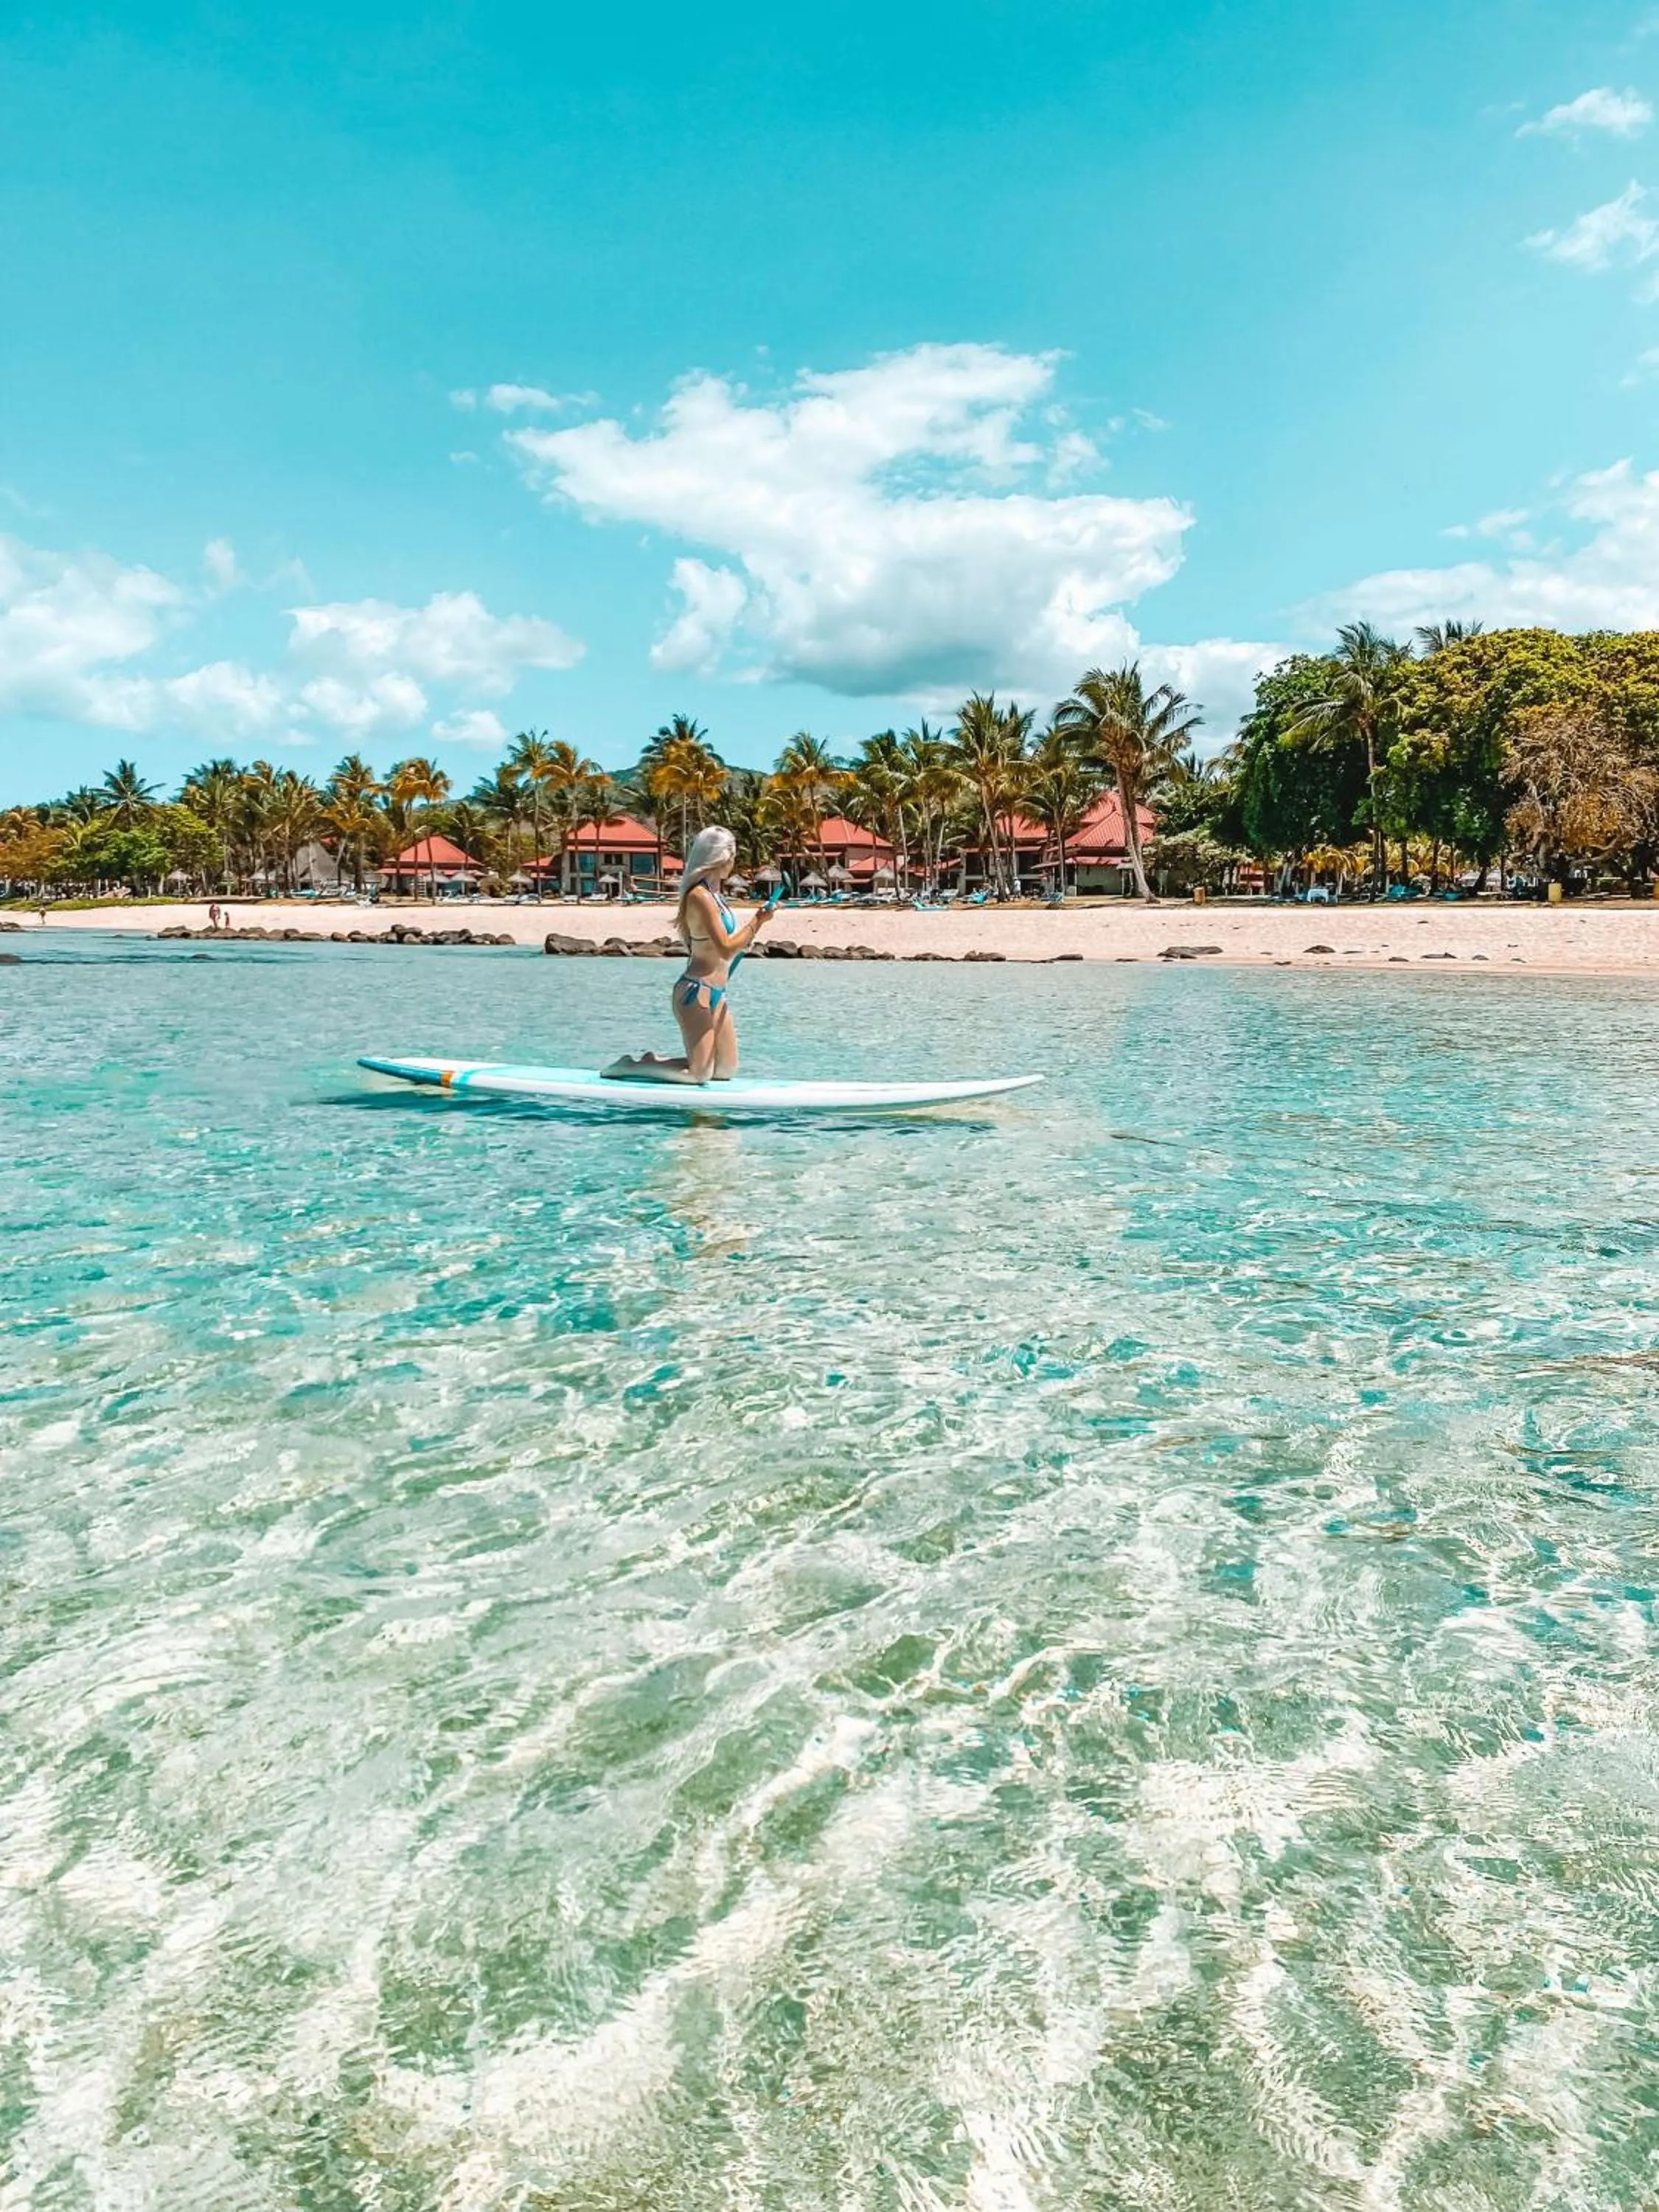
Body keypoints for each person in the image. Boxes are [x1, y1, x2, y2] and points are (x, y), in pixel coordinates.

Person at [602, 826, 776, 1084]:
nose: (734, 862)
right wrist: (758, 922)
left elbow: (727, 954)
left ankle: (655, 1063)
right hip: (696, 993)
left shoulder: (718, 897)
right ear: (721, 857)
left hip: (717, 993)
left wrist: (752, 933)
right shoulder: (699, 896)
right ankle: (630, 1066)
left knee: (724, 1071)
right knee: (700, 1075)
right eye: (733, 855)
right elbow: (725, 947)